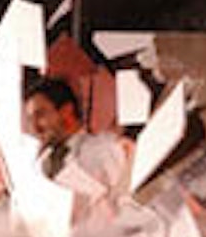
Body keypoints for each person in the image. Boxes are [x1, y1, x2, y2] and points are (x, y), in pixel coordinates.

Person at [24, 77, 129, 215]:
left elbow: (126, 201)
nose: (34, 127)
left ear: (66, 111)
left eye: (40, 115)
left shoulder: (104, 149)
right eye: (30, 119)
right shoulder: (39, 166)